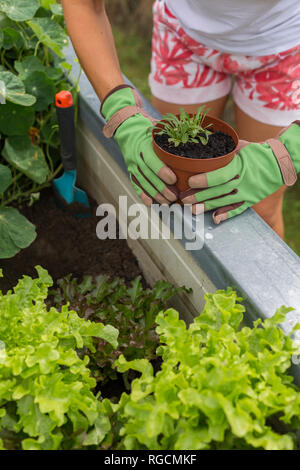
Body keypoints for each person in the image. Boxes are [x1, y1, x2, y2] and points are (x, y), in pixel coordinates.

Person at [61, 0, 300, 238]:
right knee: (175, 186)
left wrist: (288, 153)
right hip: (184, 34)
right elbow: (83, 5)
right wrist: (121, 111)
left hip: (286, 46)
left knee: (261, 211)